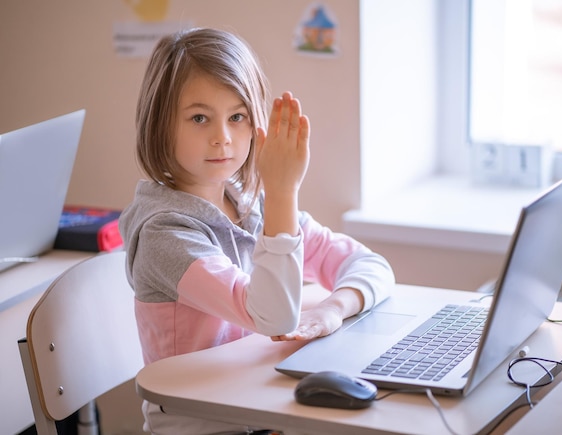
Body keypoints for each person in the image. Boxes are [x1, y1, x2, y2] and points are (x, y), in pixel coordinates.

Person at [119, 27, 395, 435]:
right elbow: (272, 316)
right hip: (207, 426)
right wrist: (284, 190)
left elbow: (370, 265)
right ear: (161, 124)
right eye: (199, 118)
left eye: (237, 117)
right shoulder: (165, 234)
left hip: (260, 405)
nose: (222, 138)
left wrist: (333, 309)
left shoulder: (249, 204)